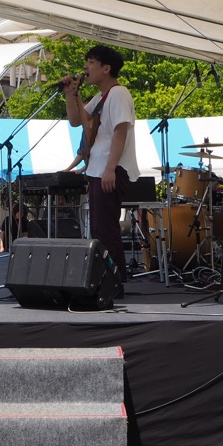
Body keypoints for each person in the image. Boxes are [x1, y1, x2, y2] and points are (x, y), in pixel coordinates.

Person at [63, 45, 140, 294]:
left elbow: (120, 131)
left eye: (91, 63)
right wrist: (71, 94)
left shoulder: (118, 93)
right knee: (99, 229)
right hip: (98, 170)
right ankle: (107, 280)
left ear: (106, 69)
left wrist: (110, 168)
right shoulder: (101, 98)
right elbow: (76, 121)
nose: (86, 67)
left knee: (106, 229)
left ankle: (115, 282)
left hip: (110, 169)